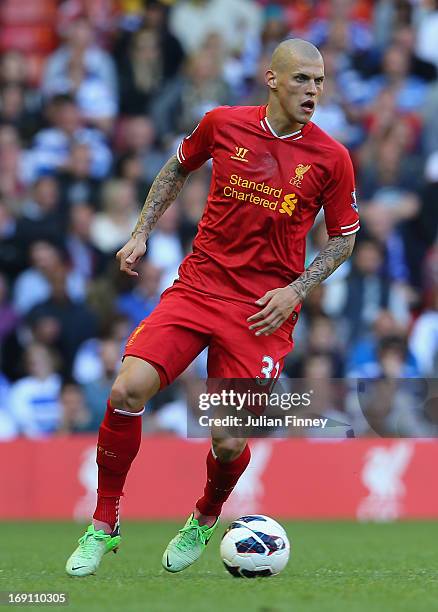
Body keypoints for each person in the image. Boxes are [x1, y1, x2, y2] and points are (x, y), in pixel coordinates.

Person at [65, 38, 359, 577]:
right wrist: (140, 234)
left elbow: (343, 238)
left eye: (319, 81)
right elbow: (177, 168)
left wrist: (296, 290)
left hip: (262, 312)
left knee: (226, 439)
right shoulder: (222, 123)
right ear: (272, 79)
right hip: (198, 287)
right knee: (127, 389)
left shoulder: (332, 158)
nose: (313, 90)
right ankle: (104, 522)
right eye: (302, 79)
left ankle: (205, 514)